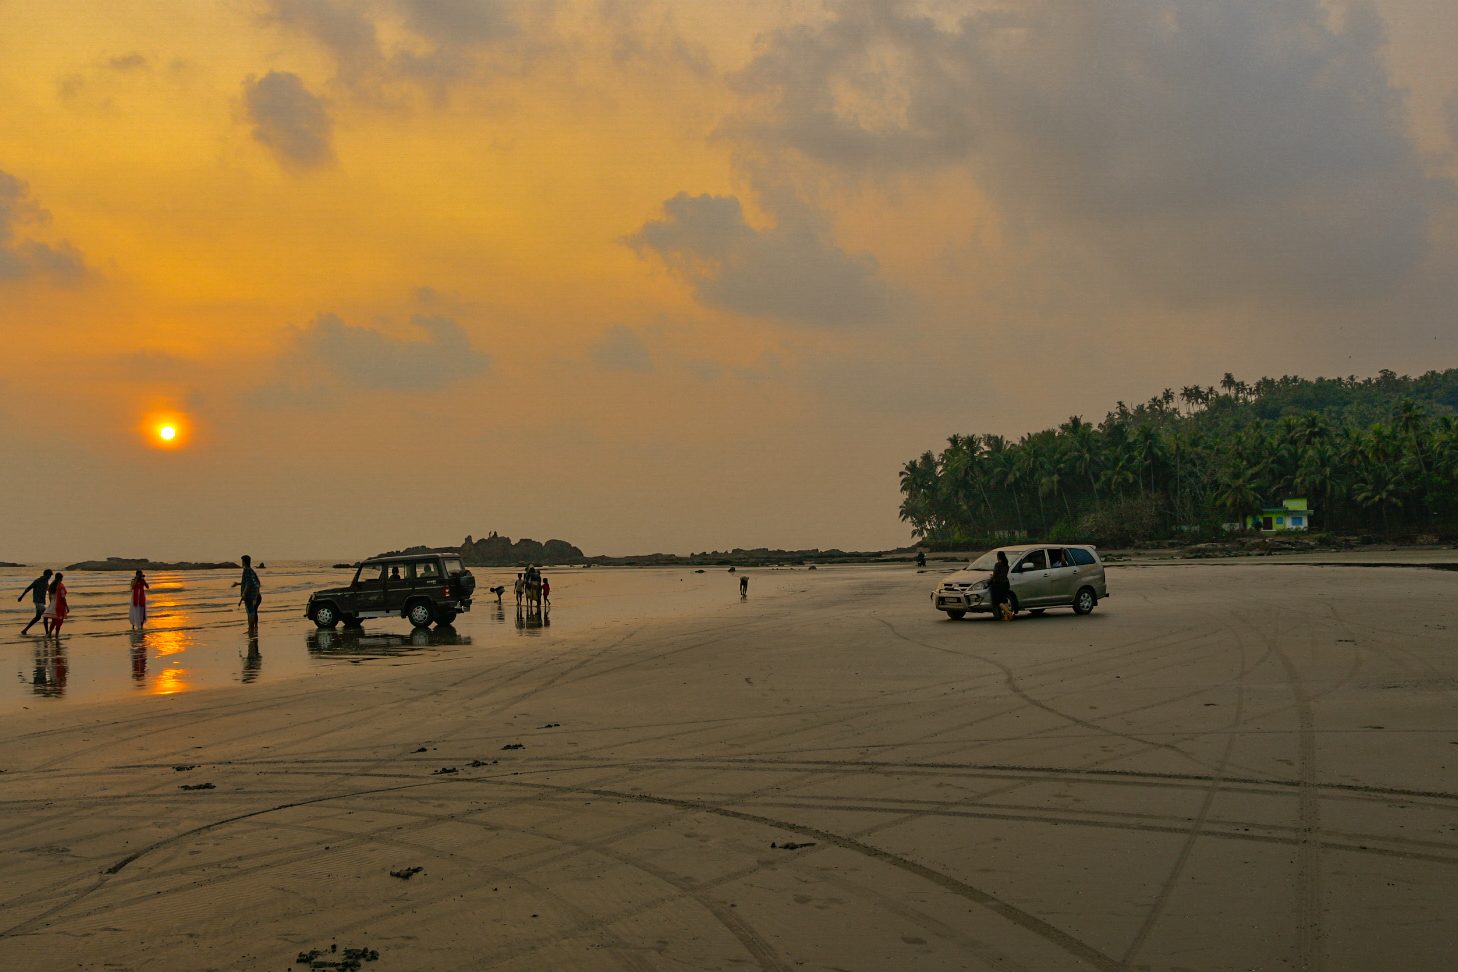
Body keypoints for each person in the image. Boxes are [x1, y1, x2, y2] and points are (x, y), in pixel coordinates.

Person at [17, 568, 52, 635]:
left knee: (37, 617)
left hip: (42, 601)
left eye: (50, 576)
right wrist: (21, 596)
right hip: (37, 601)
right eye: (49, 576)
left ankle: (24, 630)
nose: (50, 577)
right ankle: (47, 633)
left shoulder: (46, 581)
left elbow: (48, 590)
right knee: (46, 615)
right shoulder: (37, 581)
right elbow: (29, 588)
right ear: (46, 575)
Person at [237, 555, 262, 631]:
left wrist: (244, 594)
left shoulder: (246, 570)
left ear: (244, 562)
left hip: (249, 596)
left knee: (250, 613)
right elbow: (257, 582)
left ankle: (251, 630)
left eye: (242, 561)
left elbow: (248, 583)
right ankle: (253, 628)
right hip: (255, 595)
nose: (242, 563)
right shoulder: (252, 570)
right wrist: (238, 584)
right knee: (253, 612)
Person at [989, 551, 1013, 622]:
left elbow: (995, 574)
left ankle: (1009, 613)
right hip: (1006, 583)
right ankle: (1006, 617)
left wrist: (990, 579)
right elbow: (1003, 574)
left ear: (998, 556)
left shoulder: (998, 564)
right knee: (1004, 600)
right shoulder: (1006, 565)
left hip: (998, 584)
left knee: (998, 601)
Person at [43, 571, 69, 636]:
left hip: (52, 604)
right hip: (59, 604)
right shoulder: (61, 586)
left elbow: (50, 596)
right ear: (61, 578)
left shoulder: (51, 585)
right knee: (59, 621)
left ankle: (49, 633)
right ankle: (57, 634)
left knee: (54, 621)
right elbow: (63, 597)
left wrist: (51, 603)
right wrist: (66, 606)